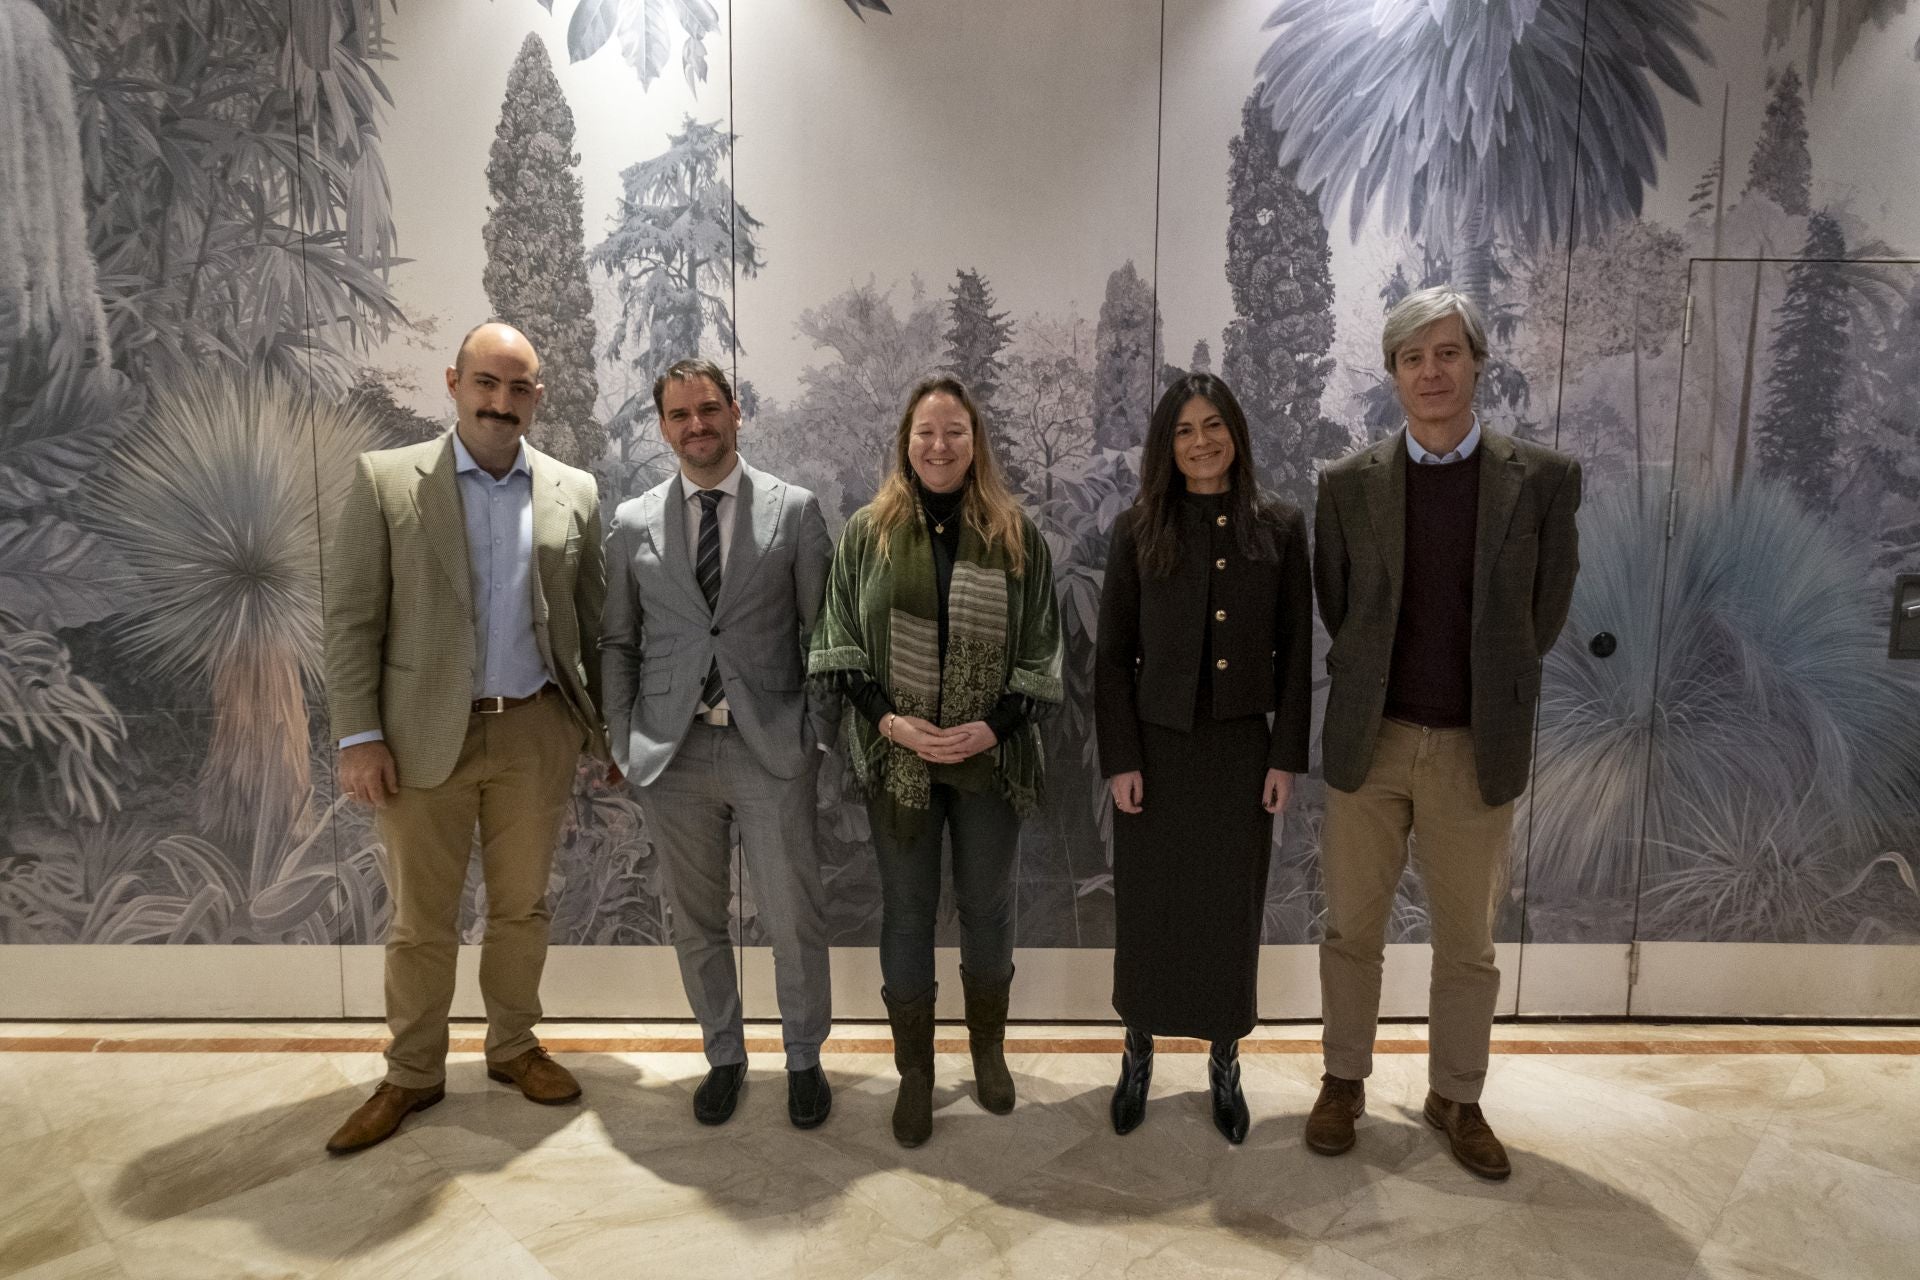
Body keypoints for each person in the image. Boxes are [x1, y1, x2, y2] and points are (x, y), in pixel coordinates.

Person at [1309, 286, 1581, 1179]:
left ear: (1477, 363)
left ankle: (1457, 1096)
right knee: (1353, 929)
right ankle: (1344, 1080)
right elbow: (1343, 610)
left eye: (1447, 353)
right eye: (1412, 357)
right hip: (1373, 739)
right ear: (1393, 375)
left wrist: (1485, 692)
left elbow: (1541, 617)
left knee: (1466, 941)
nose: (1432, 371)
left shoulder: (1539, 481)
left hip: (1475, 745)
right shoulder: (1348, 487)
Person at [323, 322, 607, 1154]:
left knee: (522, 908)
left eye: (519, 388)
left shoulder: (572, 490)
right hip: (417, 741)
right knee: (421, 920)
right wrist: (358, 737)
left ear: (537, 398)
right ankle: (412, 1072)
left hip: (534, 735)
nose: (501, 401)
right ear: (454, 383)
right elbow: (350, 621)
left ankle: (514, 1046)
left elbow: (592, 626)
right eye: (487, 382)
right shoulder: (386, 483)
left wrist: (602, 735)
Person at [809, 376, 1063, 1148]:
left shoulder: (1017, 534)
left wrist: (990, 728)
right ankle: (915, 1072)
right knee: (909, 912)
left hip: (990, 758)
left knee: (988, 908)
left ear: (975, 441)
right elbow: (838, 642)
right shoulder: (867, 533)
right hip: (902, 762)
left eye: (954, 431)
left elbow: (1042, 650)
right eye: (925, 432)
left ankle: (987, 1052)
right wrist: (894, 724)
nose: (939, 446)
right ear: (905, 442)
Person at [600, 358, 839, 1130]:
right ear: (662, 426)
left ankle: (804, 1058)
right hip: (672, 756)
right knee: (695, 920)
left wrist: (818, 738)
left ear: (736, 411)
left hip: (770, 749)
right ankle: (724, 1055)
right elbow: (618, 644)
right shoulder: (634, 522)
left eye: (709, 409)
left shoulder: (793, 512)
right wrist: (623, 738)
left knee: (792, 917)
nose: (696, 425)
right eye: (679, 414)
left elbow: (823, 636)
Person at [1094, 374, 1313, 1144]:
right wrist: (1120, 757)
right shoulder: (1136, 529)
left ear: (1235, 434)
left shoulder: (1279, 529)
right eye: (1183, 430)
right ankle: (1137, 1056)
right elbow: (1112, 658)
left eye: (1212, 425)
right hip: (1154, 756)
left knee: (1227, 910)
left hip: (1239, 756)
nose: (1200, 442)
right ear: (1167, 444)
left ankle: (1225, 1062)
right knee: (1150, 911)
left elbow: (1293, 658)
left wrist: (1285, 757)